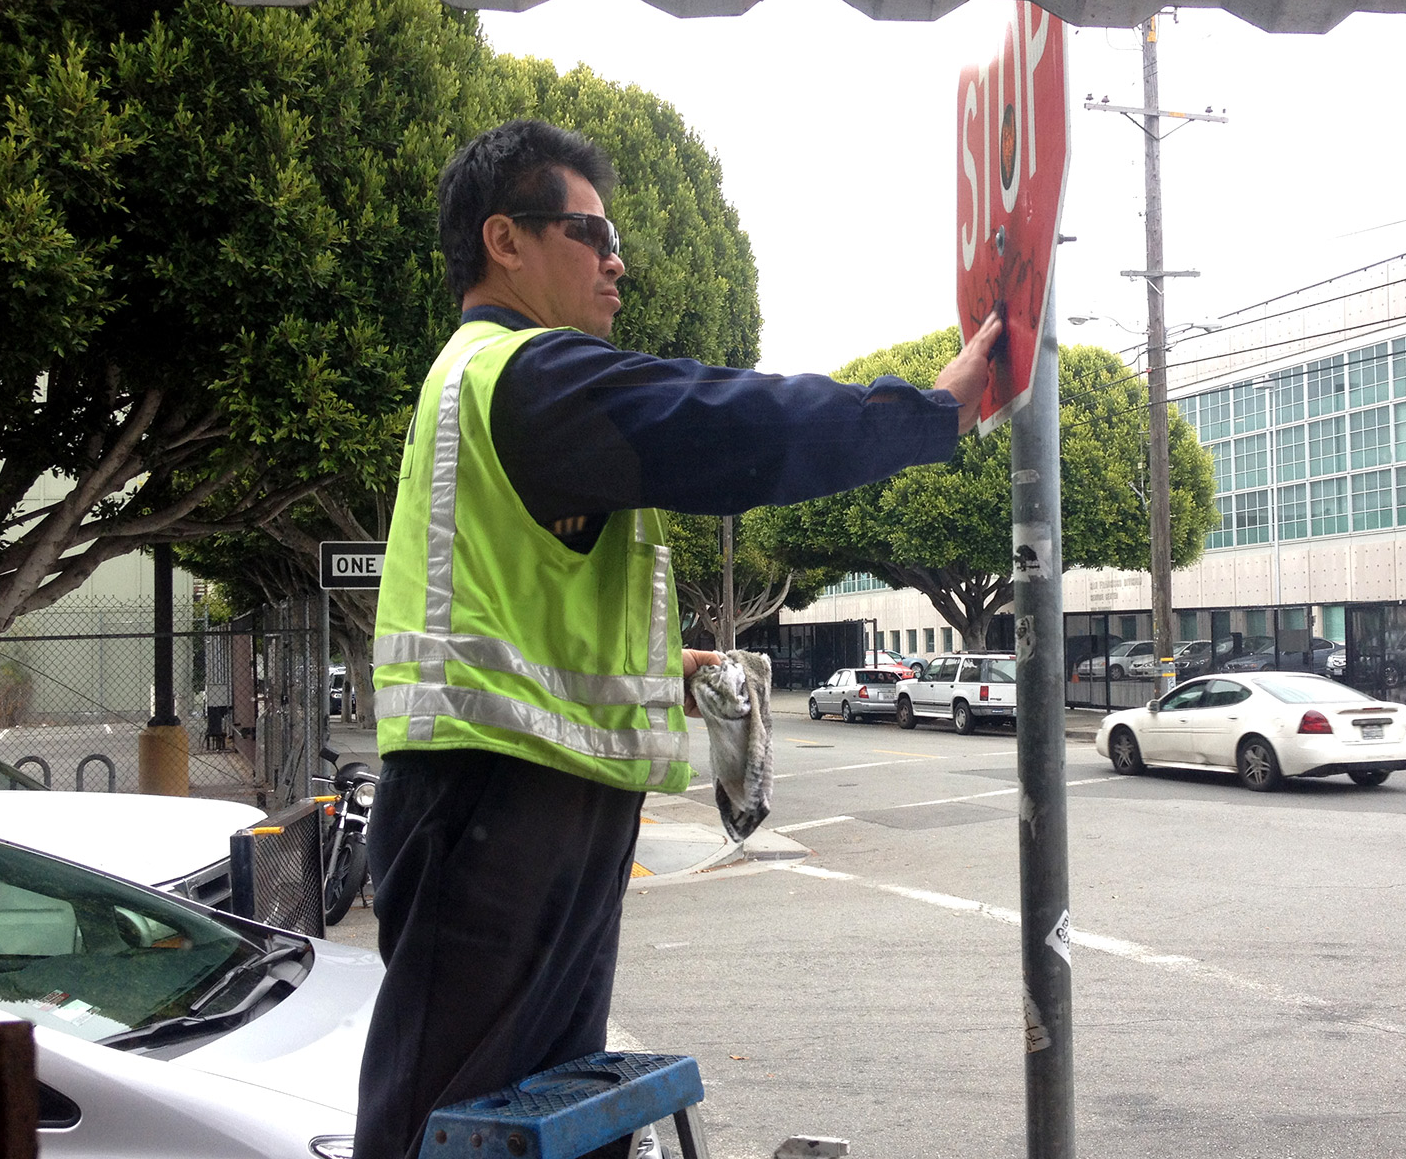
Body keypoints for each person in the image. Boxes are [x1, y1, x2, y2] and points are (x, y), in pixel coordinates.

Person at [354, 118, 1002, 1159]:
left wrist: (670, 667)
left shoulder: (505, 386)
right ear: (504, 241)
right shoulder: (519, 375)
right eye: (588, 232)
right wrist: (927, 414)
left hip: (530, 803)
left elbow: (521, 608)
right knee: (450, 1125)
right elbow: (725, 423)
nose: (616, 262)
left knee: (531, 1115)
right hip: (492, 809)